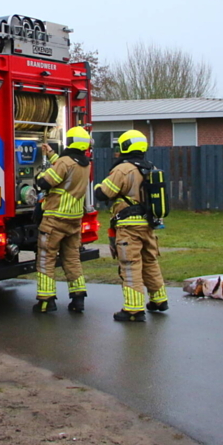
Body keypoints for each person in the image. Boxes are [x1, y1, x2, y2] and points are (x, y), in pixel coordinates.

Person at [94, 129, 168, 323]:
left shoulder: (123, 169)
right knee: (150, 261)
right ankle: (159, 300)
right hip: (148, 223)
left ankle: (134, 309)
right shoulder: (149, 167)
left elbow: (105, 193)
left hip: (128, 226)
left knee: (130, 264)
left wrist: (97, 188)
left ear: (126, 146)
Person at [32, 127, 92, 314]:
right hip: (73, 220)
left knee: (46, 258)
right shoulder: (85, 164)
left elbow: (45, 182)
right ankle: (78, 298)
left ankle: (46, 300)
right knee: (72, 258)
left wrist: (40, 174)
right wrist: (50, 154)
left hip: (55, 219)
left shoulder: (65, 163)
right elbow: (65, 169)